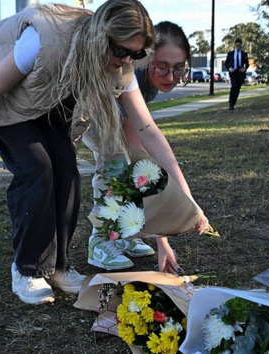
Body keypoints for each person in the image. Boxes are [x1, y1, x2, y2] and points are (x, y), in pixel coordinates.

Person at [0, 0, 210, 305]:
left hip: (45, 99)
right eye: (121, 51)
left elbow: (147, 130)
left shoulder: (119, 63)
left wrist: (189, 203)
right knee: (37, 168)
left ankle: (58, 266)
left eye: (136, 54)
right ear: (101, 37)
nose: (126, 60)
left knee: (67, 172)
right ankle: (27, 269)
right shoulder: (44, 40)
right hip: (3, 98)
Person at [84, 21, 192, 272]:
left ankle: (125, 235)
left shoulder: (149, 82)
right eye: (162, 67)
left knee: (128, 167)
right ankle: (99, 241)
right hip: (88, 116)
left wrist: (188, 200)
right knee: (117, 168)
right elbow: (141, 161)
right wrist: (162, 240)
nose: (170, 77)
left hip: (110, 117)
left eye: (178, 69)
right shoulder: (131, 76)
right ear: (146, 56)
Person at [224, 38, 249, 110]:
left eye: (239, 45)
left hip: (240, 73)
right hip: (233, 72)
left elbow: (247, 64)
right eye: (237, 45)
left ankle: (233, 103)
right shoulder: (230, 54)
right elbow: (226, 63)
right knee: (234, 86)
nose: (238, 46)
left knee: (237, 88)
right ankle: (230, 103)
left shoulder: (244, 54)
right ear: (235, 45)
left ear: (241, 45)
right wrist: (229, 68)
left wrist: (245, 68)